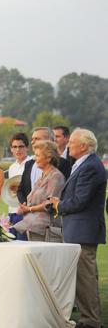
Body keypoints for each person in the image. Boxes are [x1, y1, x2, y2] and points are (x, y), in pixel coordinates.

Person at [48, 129, 106, 328]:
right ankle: (88, 318)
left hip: (83, 230)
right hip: (78, 229)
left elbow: (80, 201)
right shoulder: (83, 164)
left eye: (72, 142)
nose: (68, 144)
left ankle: (90, 321)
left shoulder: (90, 166)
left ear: (83, 146)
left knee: (85, 279)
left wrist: (59, 205)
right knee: (84, 278)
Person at [13, 141, 65, 241]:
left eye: (37, 155)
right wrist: (25, 207)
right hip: (33, 226)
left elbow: (50, 204)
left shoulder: (55, 177)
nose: (34, 158)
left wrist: (29, 209)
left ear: (48, 158)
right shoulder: (42, 177)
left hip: (46, 230)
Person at [17, 127, 71, 207]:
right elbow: (21, 189)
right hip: (29, 214)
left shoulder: (63, 164)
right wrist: (25, 204)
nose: (32, 142)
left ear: (50, 141)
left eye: (37, 139)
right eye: (32, 139)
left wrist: (33, 209)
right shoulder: (28, 164)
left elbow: (62, 194)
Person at [7, 132, 32, 239]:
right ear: (11, 149)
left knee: (23, 244)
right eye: (15, 147)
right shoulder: (12, 167)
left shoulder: (32, 164)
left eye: (21, 146)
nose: (18, 150)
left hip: (25, 212)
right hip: (12, 211)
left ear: (27, 148)